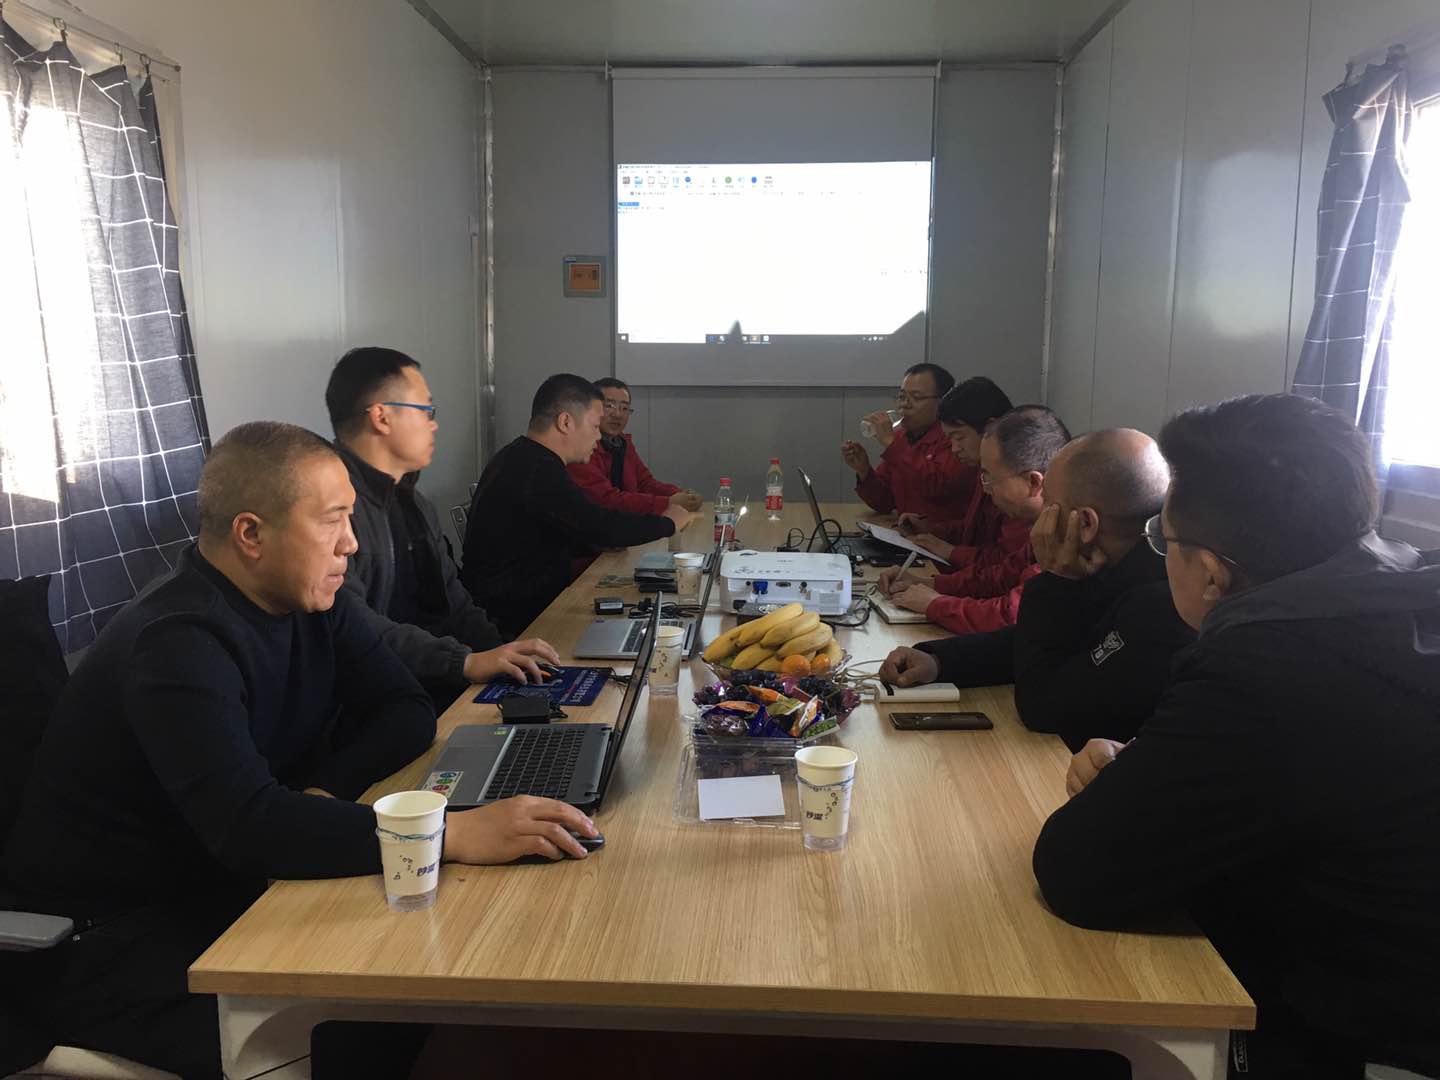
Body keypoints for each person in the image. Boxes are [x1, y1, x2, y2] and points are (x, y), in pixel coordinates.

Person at [0, 422, 600, 1079]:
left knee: (424, 979)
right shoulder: (176, 642)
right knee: (368, 1032)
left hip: (229, 886)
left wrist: (324, 792)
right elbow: (248, 827)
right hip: (110, 941)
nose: (350, 543)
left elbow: (404, 710)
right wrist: (450, 834)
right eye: (332, 520)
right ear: (251, 534)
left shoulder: (311, 599)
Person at [1032, 394, 1440, 1079]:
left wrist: (1137, 785)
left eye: (1164, 540)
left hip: (1371, 1040)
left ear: (1212, 574)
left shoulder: (1268, 664)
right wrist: (1158, 770)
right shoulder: (1403, 593)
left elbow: (1077, 872)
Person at [879, 429, 1194, 749]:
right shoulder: (1120, 557)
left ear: (1086, 524)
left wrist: (1056, 579)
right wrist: (940, 660)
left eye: (1049, 503)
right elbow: (1041, 637)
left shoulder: (1162, 604)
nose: (1041, 515)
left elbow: (1043, 705)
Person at [325, 347, 560, 706]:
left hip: (433, 681)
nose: (434, 424)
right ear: (382, 417)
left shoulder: (414, 503)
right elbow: (351, 624)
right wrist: (463, 662)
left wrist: (506, 656)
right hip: (375, 701)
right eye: (425, 411)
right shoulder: (331, 509)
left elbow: (455, 603)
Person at [462, 375, 697, 637]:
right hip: (519, 622)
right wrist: (668, 523)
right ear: (565, 422)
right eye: (595, 426)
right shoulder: (539, 470)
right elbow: (600, 525)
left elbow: (571, 526)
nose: (598, 436)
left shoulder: (519, 456)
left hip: (522, 604)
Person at [879, 406, 1068, 634]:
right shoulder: (1044, 522)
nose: (985, 488)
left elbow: (1011, 616)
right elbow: (1000, 577)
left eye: (988, 477)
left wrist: (935, 604)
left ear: (1033, 482)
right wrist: (930, 584)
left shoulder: (1066, 535)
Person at [894, 375, 1017, 563]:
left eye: (959, 438)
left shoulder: (1015, 481)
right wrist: (931, 530)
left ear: (991, 428)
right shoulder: (983, 468)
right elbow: (972, 531)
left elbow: (1006, 564)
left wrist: (951, 553)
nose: (954, 448)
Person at [841, 362, 976, 520]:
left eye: (916, 397)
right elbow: (884, 502)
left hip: (940, 532)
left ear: (942, 402)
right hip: (908, 531)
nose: (904, 404)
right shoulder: (902, 437)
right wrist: (864, 471)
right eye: (901, 397)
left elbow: (935, 488)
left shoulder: (955, 439)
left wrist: (892, 445)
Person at [567, 377, 702, 515]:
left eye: (624, 408)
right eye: (609, 406)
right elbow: (606, 499)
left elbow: (645, 483)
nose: (618, 414)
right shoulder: (581, 449)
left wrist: (681, 495)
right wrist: (668, 503)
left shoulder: (622, 443)